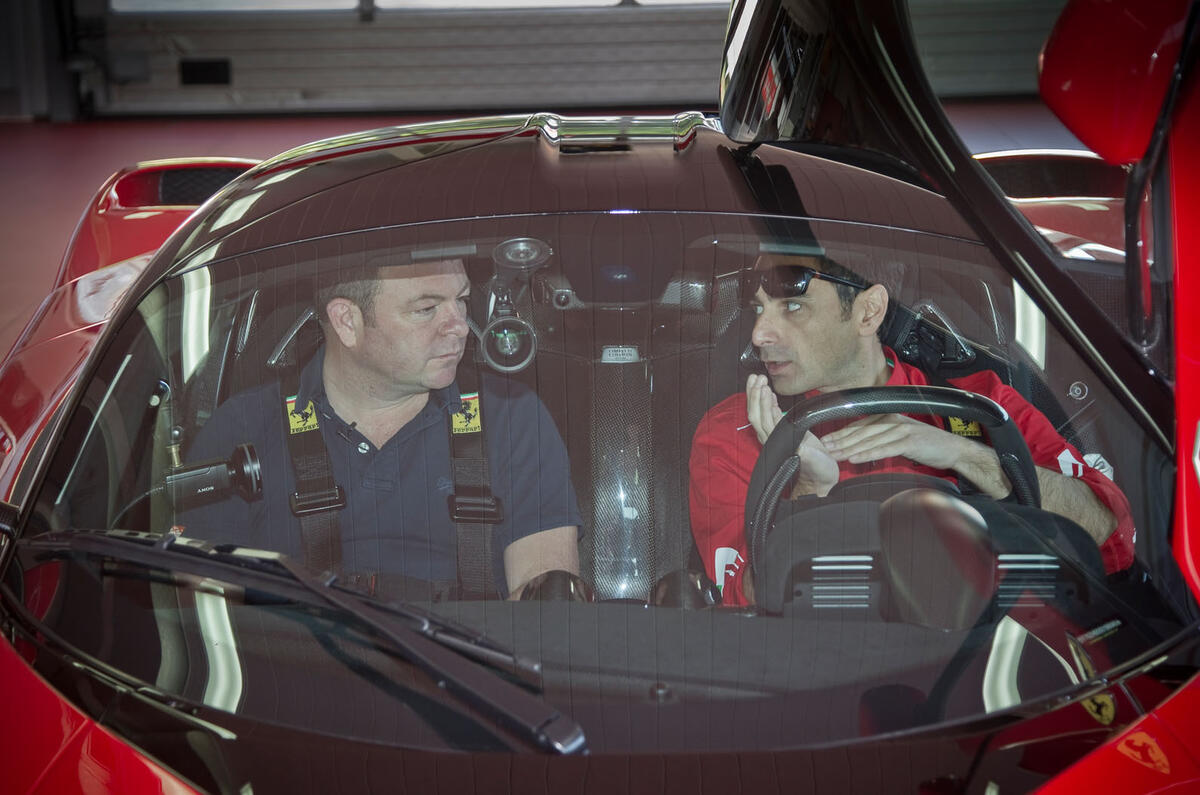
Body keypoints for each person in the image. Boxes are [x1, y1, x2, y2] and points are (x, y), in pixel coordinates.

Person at [688, 254, 1134, 606]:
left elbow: (1111, 538)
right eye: (760, 309)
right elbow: (739, 604)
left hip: (998, 672)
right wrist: (809, 495)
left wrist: (969, 456)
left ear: (869, 311)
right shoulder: (735, 430)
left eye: (793, 306)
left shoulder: (983, 406)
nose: (760, 333)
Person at [181, 257, 581, 600]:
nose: (460, 326)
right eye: (427, 309)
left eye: (460, 301)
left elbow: (546, 612)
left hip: (462, 682)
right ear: (347, 321)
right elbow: (205, 616)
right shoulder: (241, 430)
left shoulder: (513, 417)